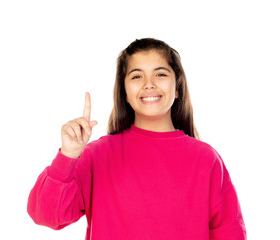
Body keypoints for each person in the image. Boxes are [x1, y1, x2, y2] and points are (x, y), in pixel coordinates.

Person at [27, 38, 247, 240]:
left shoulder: (206, 159)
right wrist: (68, 155)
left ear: (177, 88)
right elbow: (46, 215)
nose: (148, 84)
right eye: (136, 76)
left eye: (160, 74)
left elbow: (230, 233)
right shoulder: (97, 155)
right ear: (124, 92)